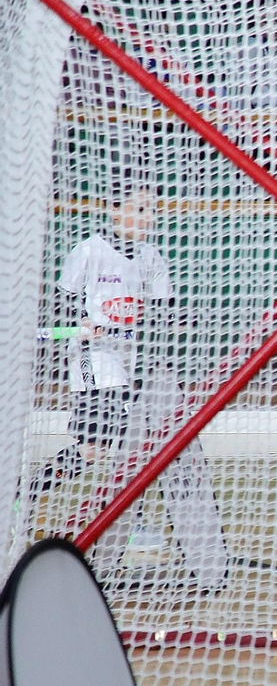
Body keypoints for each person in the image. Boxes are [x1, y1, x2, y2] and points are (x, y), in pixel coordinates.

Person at [29, 179, 176, 555]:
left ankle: (25, 492)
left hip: (127, 359)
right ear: (115, 210)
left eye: (152, 210)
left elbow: (163, 310)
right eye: (139, 209)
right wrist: (80, 321)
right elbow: (62, 300)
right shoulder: (89, 251)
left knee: (92, 451)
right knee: (129, 439)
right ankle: (129, 524)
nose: (148, 217)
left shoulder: (150, 257)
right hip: (92, 357)